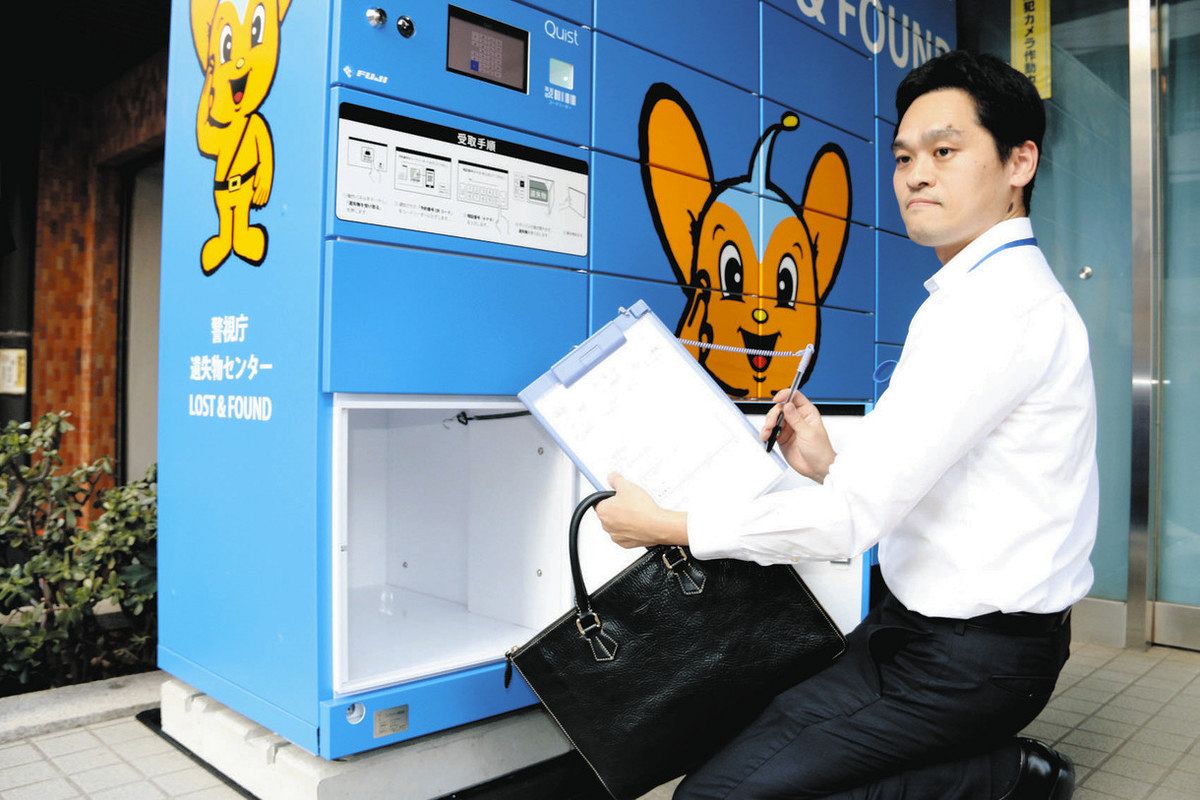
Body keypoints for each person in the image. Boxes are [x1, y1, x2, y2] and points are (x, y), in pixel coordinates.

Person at [596, 49, 1094, 800]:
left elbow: (846, 525)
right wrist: (830, 464)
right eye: (904, 156)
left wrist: (666, 526)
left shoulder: (998, 311)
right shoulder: (971, 295)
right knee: (744, 743)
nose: (915, 175)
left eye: (945, 152)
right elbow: (955, 479)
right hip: (923, 632)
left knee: (713, 796)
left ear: (1019, 162)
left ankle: (1003, 778)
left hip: (971, 660)